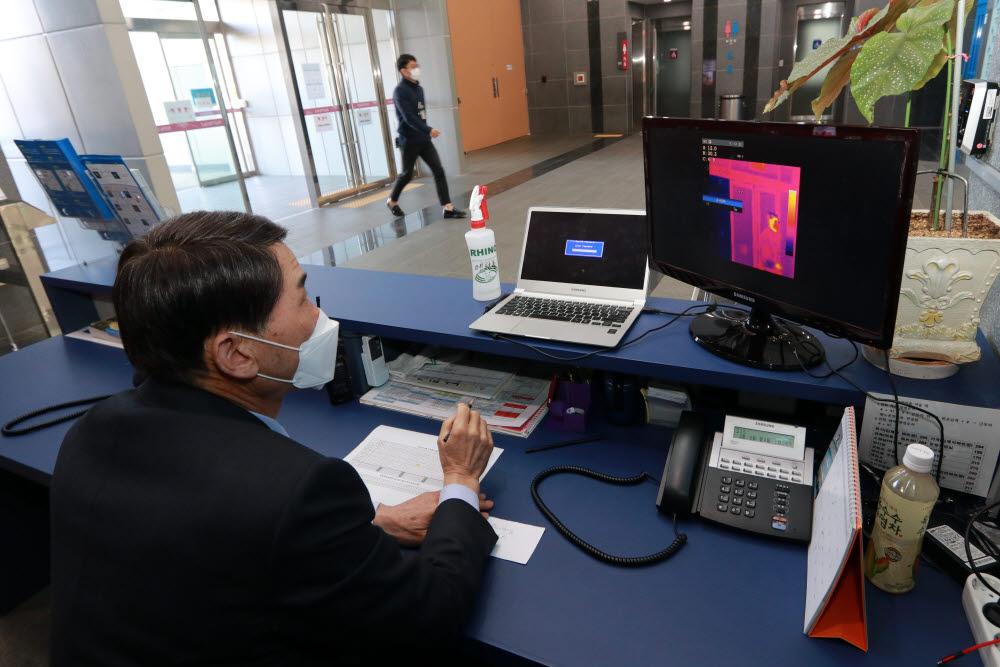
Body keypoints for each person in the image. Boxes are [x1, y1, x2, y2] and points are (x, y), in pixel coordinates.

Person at [49, 211, 497, 665]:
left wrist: (374, 523)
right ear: (236, 354)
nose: (321, 315)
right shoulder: (299, 490)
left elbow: (213, 536)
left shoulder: (93, 430)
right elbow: (430, 616)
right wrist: (459, 479)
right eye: (303, 299)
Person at [386, 53, 466, 219]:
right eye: (412, 67)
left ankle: (447, 207)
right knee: (407, 174)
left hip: (423, 139)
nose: (416, 69)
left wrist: (426, 132)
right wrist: (428, 129)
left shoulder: (419, 88)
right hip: (409, 140)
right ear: (403, 71)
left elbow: (420, 114)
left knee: (438, 169)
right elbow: (408, 117)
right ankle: (392, 200)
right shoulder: (400, 91)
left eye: (417, 66)